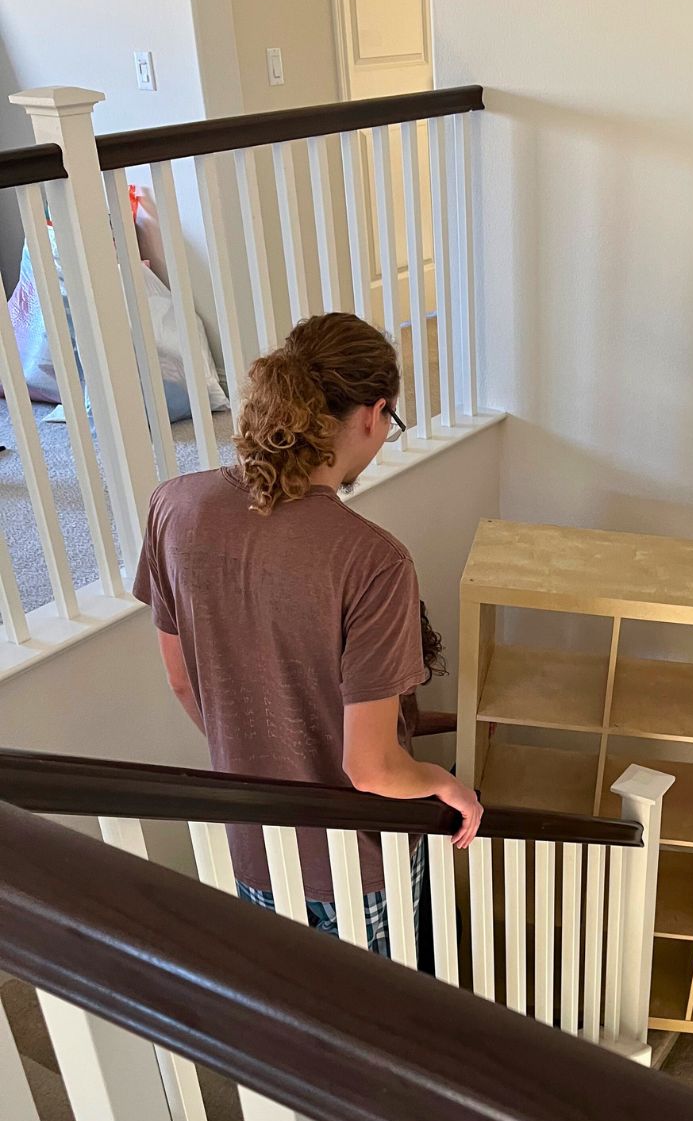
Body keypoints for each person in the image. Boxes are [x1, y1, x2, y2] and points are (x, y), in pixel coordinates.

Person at [133, 311, 483, 956]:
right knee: (381, 1020)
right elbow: (371, 768)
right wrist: (440, 780)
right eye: (391, 424)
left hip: (254, 843)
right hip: (355, 861)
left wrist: (259, 753)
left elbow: (184, 681)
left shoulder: (173, 507)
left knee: (290, 1006)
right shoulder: (371, 560)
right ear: (373, 414)